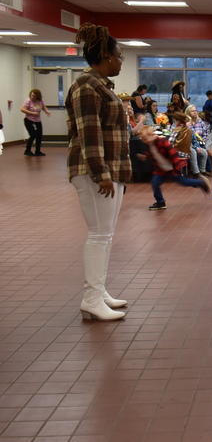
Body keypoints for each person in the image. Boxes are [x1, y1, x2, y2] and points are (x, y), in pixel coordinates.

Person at [66, 22, 131, 321]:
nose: (121, 61)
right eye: (118, 55)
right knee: (98, 234)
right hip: (96, 170)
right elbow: (89, 133)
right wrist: (101, 172)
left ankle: (99, 291)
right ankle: (91, 298)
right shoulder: (86, 86)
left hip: (111, 169)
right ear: (105, 55)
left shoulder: (101, 85)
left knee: (106, 235)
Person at [137, 125, 210, 210]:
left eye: (145, 139)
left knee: (182, 182)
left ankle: (200, 183)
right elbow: (153, 153)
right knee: (155, 183)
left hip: (172, 168)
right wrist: (145, 156)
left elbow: (173, 154)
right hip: (161, 169)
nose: (143, 141)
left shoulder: (163, 142)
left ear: (152, 134)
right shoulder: (150, 143)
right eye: (142, 139)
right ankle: (160, 202)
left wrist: (176, 168)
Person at [21, 88, 51, 156]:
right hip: (29, 120)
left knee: (39, 135)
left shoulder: (39, 101)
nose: (32, 97)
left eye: (34, 96)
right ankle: (27, 150)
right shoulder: (28, 101)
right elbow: (22, 109)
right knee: (33, 135)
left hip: (37, 120)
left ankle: (38, 151)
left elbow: (43, 106)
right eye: (32, 95)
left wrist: (47, 112)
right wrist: (32, 113)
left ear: (38, 96)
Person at [185, 104, 211, 175]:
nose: (195, 112)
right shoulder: (186, 123)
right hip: (190, 144)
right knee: (195, 151)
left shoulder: (201, 122)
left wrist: (203, 141)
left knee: (204, 150)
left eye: (195, 111)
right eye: (192, 111)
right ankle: (197, 172)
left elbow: (206, 133)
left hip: (201, 141)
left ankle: (203, 170)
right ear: (188, 113)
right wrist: (196, 146)